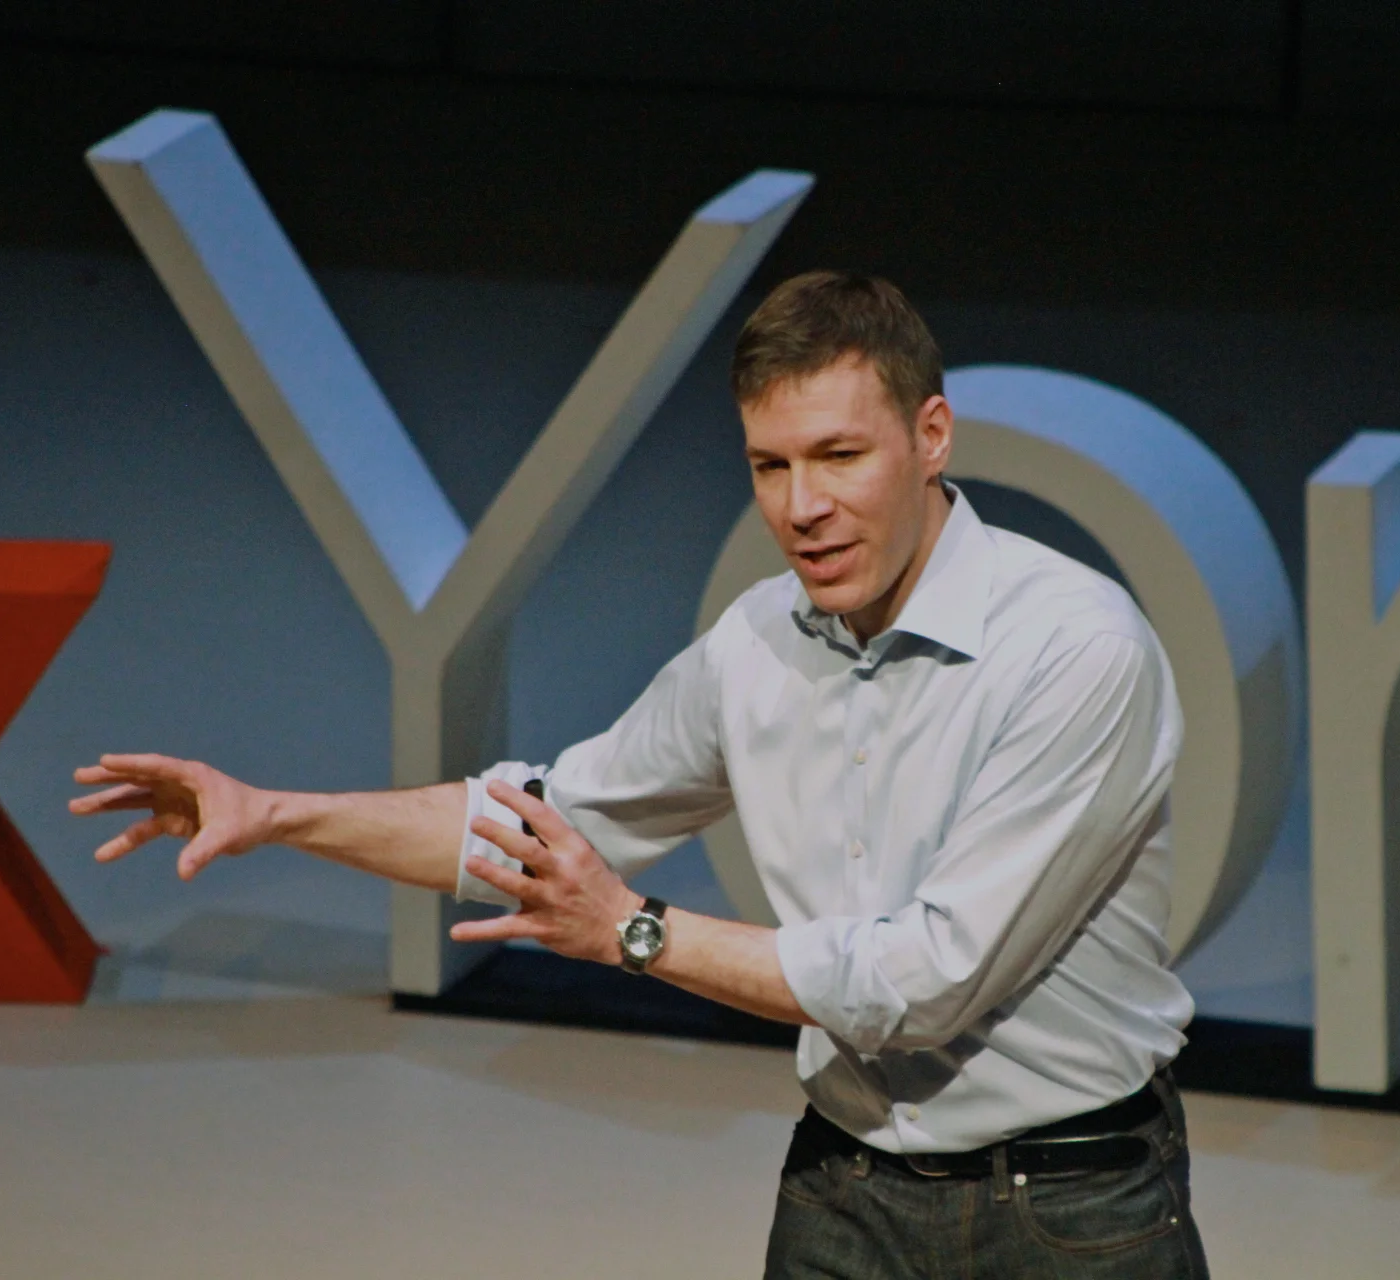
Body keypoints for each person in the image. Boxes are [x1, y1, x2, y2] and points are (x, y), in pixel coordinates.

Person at [73, 270, 1209, 1278]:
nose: (801, 507)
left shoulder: (1075, 648)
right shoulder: (756, 640)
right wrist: (275, 811)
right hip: (844, 1189)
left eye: (839, 456)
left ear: (934, 434)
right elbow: (541, 822)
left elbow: (927, 980)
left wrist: (637, 931)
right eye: (769, 464)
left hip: (1068, 1205)